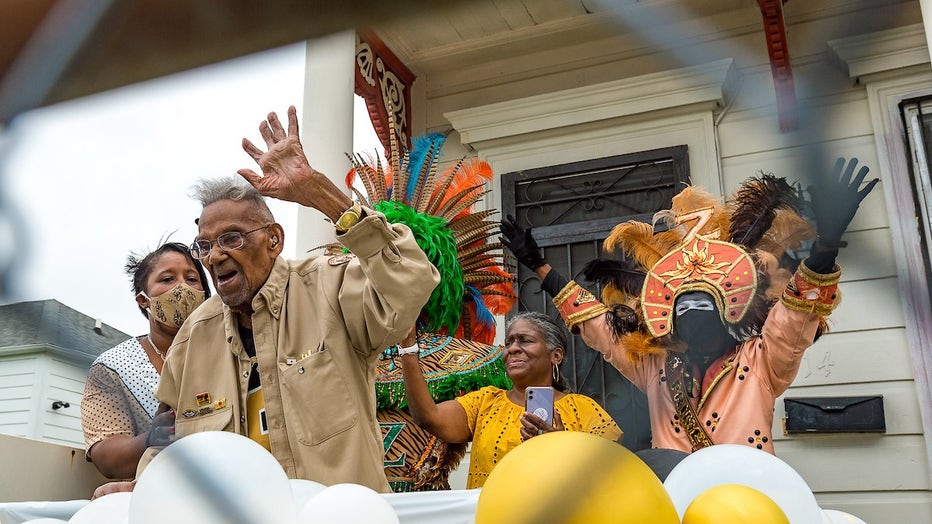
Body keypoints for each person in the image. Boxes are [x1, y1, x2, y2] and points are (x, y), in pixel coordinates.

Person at [147, 106, 439, 492]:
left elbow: (411, 281)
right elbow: (163, 440)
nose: (215, 256)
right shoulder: (191, 339)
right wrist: (141, 485)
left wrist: (319, 192)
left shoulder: (329, 288)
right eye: (204, 246)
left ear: (274, 240)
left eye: (232, 238)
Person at [500, 157, 877, 455]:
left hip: (748, 503)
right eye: (681, 304)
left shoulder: (760, 360)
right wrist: (539, 264)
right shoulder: (654, 366)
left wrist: (827, 243)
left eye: (703, 304)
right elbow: (597, 324)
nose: (690, 312)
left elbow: (793, 315)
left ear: (729, 310)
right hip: (677, 500)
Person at [399, 311, 622, 488]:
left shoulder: (583, 409)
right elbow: (428, 416)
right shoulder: (485, 402)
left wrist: (562, 446)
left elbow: (614, 472)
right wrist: (408, 349)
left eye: (525, 341)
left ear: (556, 355)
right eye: (509, 342)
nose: (513, 349)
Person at [81, 241, 210, 480]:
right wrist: (155, 437)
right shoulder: (113, 367)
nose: (182, 288)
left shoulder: (227, 347)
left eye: (192, 279)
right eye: (167, 279)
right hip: (156, 490)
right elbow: (107, 456)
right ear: (143, 300)